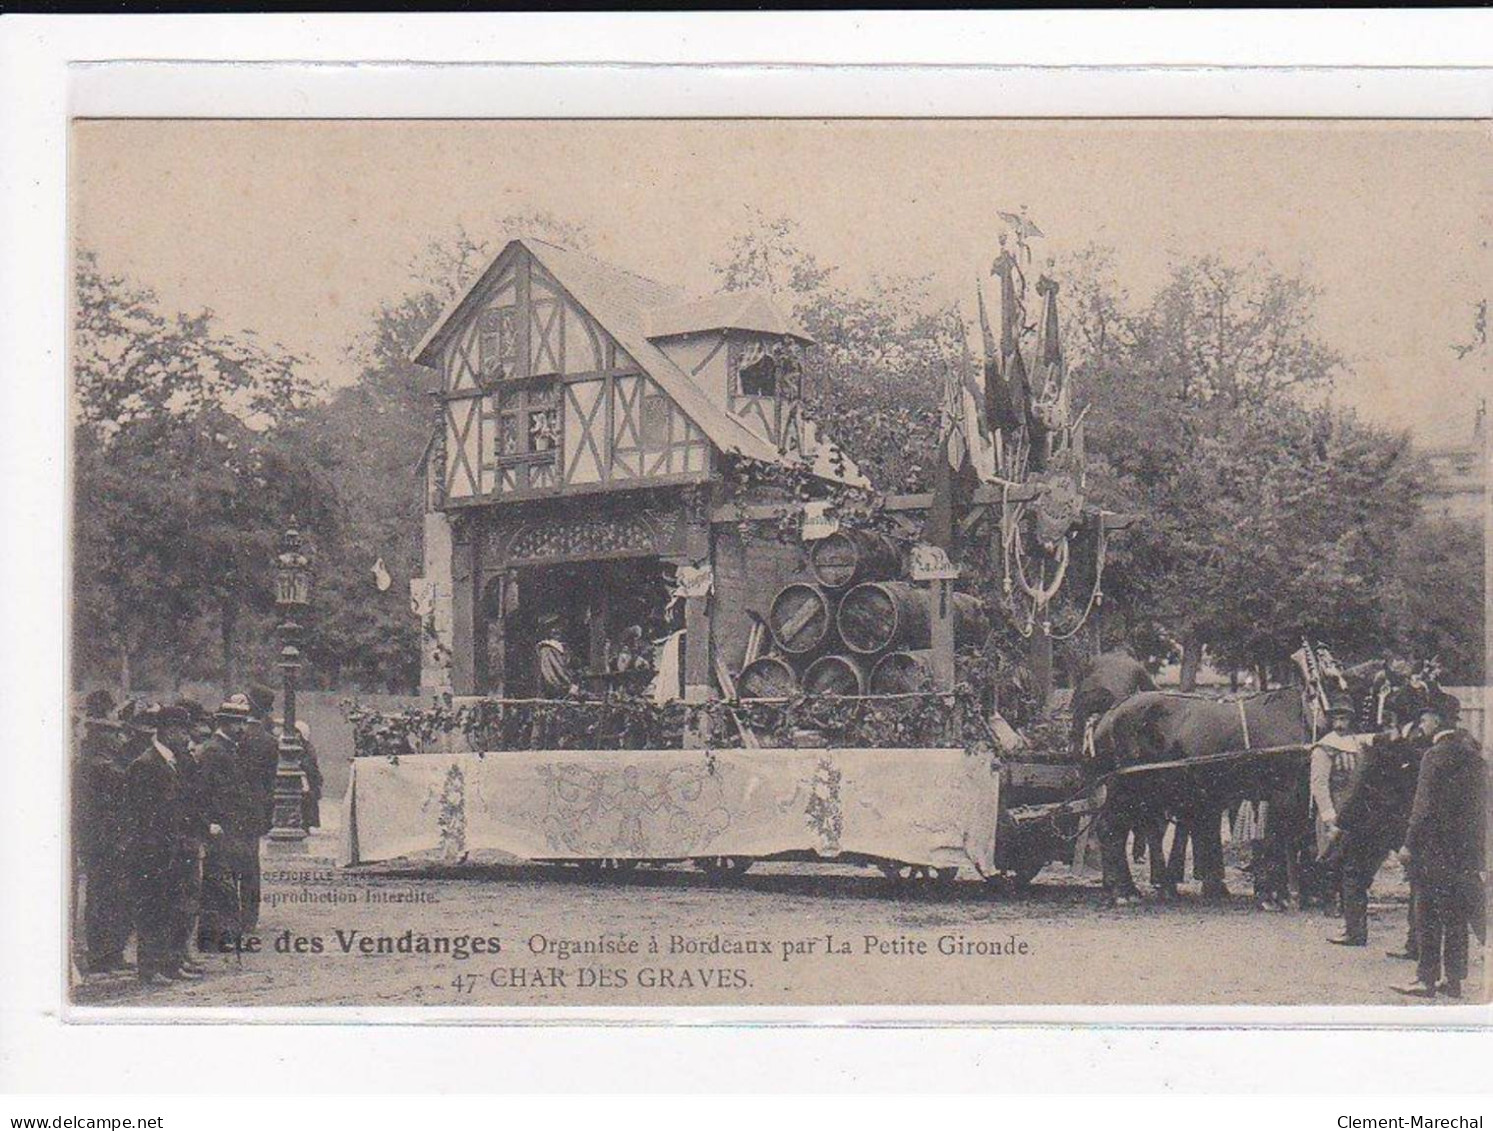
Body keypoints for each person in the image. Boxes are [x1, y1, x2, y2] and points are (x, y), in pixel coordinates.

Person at [1392, 695, 1487, 999]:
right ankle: (1454, 980)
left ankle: (1426, 979)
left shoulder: (1434, 755)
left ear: (1436, 720)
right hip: (1465, 851)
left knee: (1427, 913)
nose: (1421, 723)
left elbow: (1423, 808)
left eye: (1425, 718)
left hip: (1433, 850)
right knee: (1456, 914)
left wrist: (1408, 845)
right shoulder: (1474, 755)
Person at [1327, 704, 1427, 948]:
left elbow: (1357, 791)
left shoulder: (1373, 750)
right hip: (1401, 823)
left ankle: (1355, 932)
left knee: (1354, 876)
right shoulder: (1415, 752)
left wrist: (1339, 824)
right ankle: (1415, 942)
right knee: (1417, 880)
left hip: (1370, 826)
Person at [125, 704, 200, 985]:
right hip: (153, 853)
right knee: (153, 910)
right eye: (182, 731)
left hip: (174, 850)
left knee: (173, 908)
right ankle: (150, 968)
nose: (187, 737)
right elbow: (143, 816)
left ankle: (170, 963)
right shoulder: (145, 765)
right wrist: (158, 849)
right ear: (168, 731)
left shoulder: (177, 761)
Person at [75, 690, 133, 974]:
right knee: (105, 894)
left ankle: (109, 952)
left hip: (106, 835)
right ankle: (103, 955)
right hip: (104, 837)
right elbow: (117, 778)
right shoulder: (98, 755)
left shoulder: (96, 744)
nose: (117, 740)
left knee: (111, 894)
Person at [197, 695, 257, 952]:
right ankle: (213, 938)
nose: (242, 728)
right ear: (225, 723)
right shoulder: (214, 750)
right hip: (220, 827)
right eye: (237, 723)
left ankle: (222, 936)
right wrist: (210, 822)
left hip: (232, 825)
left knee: (225, 880)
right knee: (218, 883)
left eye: (243, 722)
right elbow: (206, 791)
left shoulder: (228, 748)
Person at [166, 700, 211, 979]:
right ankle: (177, 955)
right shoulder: (179, 759)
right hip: (183, 838)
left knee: (190, 898)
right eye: (192, 727)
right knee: (181, 899)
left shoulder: (187, 755)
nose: (194, 732)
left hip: (191, 835)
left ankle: (182, 953)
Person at [1309, 699, 1364, 917]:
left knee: (1352, 856)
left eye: (1344, 719)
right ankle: (1329, 901)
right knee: (1331, 854)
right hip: (1334, 804)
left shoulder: (1356, 744)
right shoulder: (1324, 748)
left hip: (1353, 807)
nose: (1340, 724)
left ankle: (1347, 902)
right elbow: (1319, 784)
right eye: (1337, 719)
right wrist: (1329, 816)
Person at [241, 684, 281, 931]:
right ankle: (249, 915)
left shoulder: (237, 738)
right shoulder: (269, 742)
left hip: (233, 809)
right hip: (254, 810)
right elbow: (270, 784)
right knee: (250, 863)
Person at [535, 614, 578, 698]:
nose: (556, 630)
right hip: (556, 695)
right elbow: (551, 677)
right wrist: (568, 687)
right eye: (552, 628)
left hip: (569, 692)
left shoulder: (565, 648)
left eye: (559, 627)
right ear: (547, 631)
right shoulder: (547, 649)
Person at [294, 719, 323, 830]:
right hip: (298, 777)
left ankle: (306, 823)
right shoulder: (292, 744)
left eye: (297, 732)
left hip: (306, 778)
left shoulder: (308, 747)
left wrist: (301, 763)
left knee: (306, 800)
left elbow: (311, 763)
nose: (295, 735)